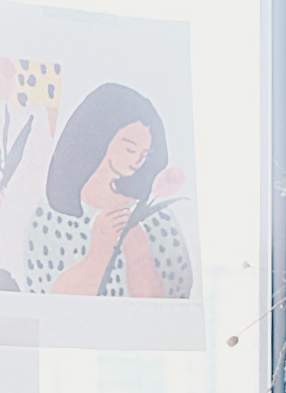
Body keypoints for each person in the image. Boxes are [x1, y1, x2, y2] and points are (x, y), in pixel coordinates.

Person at [24, 82, 192, 299]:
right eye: (130, 148)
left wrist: (138, 252)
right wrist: (99, 252)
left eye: (144, 154)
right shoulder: (51, 216)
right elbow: (43, 296)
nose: (136, 161)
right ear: (99, 136)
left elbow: (172, 302)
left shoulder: (157, 219)